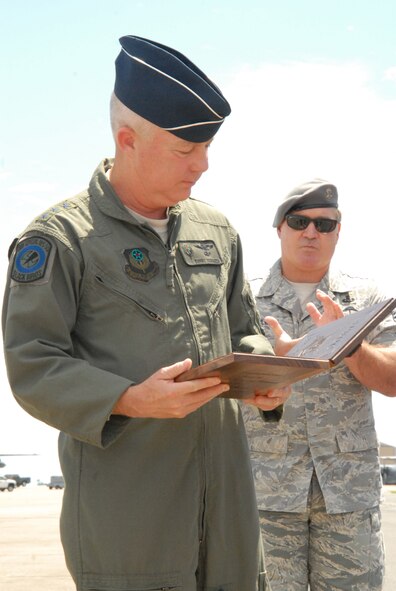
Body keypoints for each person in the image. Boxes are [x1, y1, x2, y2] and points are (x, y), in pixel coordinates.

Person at [2, 35, 289, 591]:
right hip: (130, 516)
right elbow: (32, 363)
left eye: (206, 148)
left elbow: (243, 332)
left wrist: (267, 375)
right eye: (185, 151)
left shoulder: (216, 231)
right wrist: (130, 399)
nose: (202, 165)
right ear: (127, 140)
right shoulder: (61, 239)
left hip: (228, 513)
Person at [242, 178, 396, 591]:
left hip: (347, 495)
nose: (312, 232)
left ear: (338, 231)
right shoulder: (244, 298)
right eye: (299, 221)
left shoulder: (365, 299)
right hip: (266, 492)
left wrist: (349, 346)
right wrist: (267, 367)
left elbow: (394, 379)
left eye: (325, 224)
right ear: (280, 229)